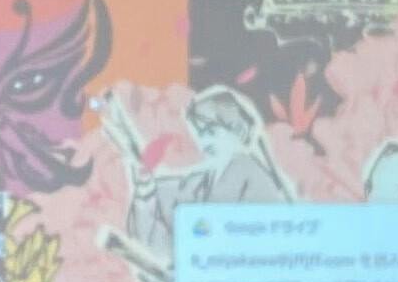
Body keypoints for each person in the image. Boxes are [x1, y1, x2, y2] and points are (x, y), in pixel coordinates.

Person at [101, 84, 292, 259]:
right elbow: (160, 245)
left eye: (211, 131)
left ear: (238, 130)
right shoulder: (199, 182)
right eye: (199, 134)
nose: (204, 142)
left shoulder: (249, 172)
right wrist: (145, 189)